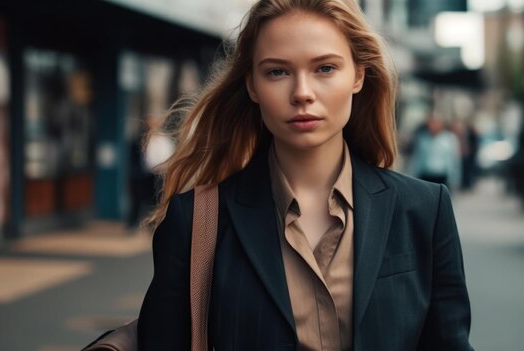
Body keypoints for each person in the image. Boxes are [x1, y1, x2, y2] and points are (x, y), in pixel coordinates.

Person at [137, 1, 473, 350]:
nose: (302, 93)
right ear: (252, 85)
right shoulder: (195, 222)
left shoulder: (424, 211)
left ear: (358, 75)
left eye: (325, 68)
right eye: (277, 72)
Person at [409, 113, 461, 189]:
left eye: (436, 123)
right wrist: (414, 176)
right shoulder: (422, 138)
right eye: (431, 123)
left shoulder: (449, 139)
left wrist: (454, 178)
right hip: (426, 175)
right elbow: (417, 158)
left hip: (442, 176)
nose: (433, 126)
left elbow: (454, 160)